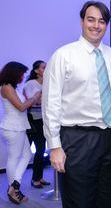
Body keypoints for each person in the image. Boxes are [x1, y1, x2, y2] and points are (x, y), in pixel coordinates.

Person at [42, 1, 111, 208]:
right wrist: (54, 146)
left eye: (102, 21)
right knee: (78, 202)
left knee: (106, 199)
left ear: (106, 25)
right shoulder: (63, 56)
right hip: (76, 139)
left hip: (110, 138)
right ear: (81, 21)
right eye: (91, 19)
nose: (96, 25)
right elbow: (50, 103)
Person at [0, 61, 41, 204]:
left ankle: (14, 186)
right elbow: (22, 107)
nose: (23, 76)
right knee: (14, 158)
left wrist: (33, 99)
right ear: (14, 73)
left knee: (27, 155)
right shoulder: (6, 87)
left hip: (19, 127)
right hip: (12, 128)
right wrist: (34, 98)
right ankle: (14, 190)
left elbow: (23, 105)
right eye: (22, 73)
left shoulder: (12, 87)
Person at [23, 60, 50, 188]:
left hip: (44, 119)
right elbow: (34, 102)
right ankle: (34, 179)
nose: (46, 69)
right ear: (36, 71)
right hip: (34, 120)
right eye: (44, 67)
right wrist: (42, 95)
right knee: (35, 150)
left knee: (41, 149)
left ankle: (39, 177)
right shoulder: (31, 84)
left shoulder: (48, 83)